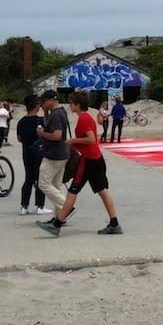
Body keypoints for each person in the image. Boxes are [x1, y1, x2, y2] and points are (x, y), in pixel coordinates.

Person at [37, 90, 123, 236]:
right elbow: (91, 141)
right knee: (102, 191)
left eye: (71, 103)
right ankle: (114, 222)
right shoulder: (86, 117)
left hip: (89, 160)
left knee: (73, 191)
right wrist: (74, 145)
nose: (70, 105)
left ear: (77, 105)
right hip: (97, 158)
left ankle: (57, 224)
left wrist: (73, 141)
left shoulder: (83, 119)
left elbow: (90, 139)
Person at [34, 90, 70, 213]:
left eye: (43, 102)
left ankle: (66, 207)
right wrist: (45, 112)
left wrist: (42, 133)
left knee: (43, 184)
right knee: (57, 186)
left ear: (50, 100)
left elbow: (56, 135)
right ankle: (60, 217)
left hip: (54, 155)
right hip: (62, 153)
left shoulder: (56, 115)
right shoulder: (59, 112)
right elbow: (51, 125)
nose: (42, 105)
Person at [15, 94, 49, 215]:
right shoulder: (39, 120)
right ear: (36, 106)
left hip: (26, 151)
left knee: (28, 178)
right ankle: (40, 205)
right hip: (39, 152)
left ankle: (24, 206)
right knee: (40, 178)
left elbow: (19, 138)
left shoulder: (21, 122)